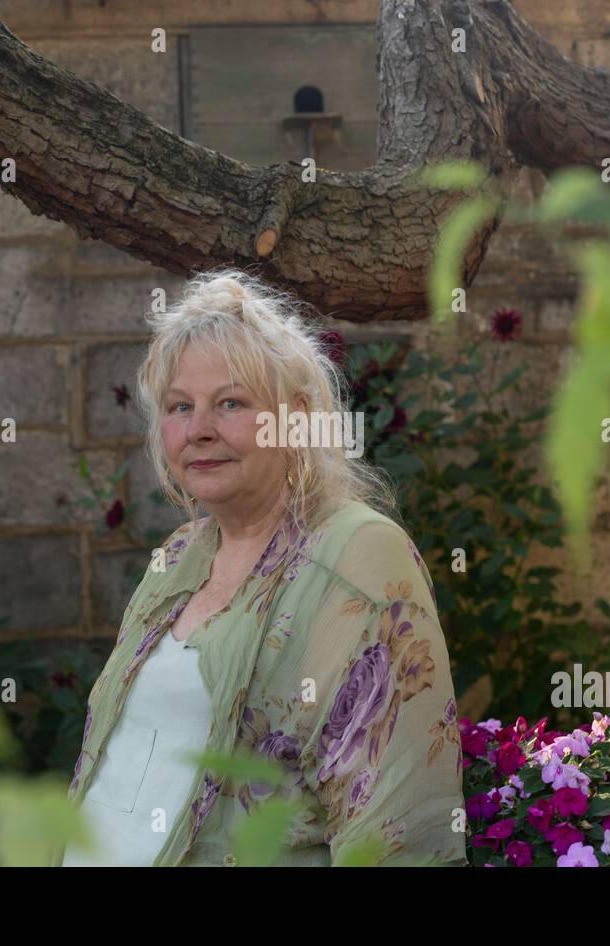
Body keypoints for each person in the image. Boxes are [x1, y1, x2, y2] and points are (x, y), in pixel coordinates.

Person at [55, 267, 467, 867]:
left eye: (230, 402)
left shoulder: (357, 552)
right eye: (178, 406)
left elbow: (399, 828)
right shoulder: (176, 559)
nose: (198, 430)